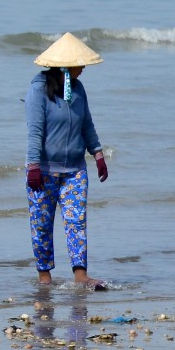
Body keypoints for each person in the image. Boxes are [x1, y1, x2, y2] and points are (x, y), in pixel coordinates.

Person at [25, 33, 109, 289]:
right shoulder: (38, 91)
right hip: (44, 171)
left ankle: (81, 274)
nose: (83, 68)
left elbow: (87, 124)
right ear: (64, 66)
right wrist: (33, 167)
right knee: (41, 224)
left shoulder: (78, 89)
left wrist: (98, 154)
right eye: (79, 64)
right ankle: (44, 276)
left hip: (74, 171)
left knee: (76, 222)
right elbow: (35, 131)